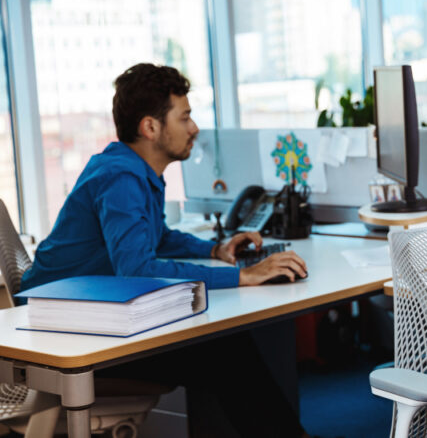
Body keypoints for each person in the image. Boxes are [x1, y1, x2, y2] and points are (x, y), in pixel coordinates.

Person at [21, 63, 309, 437]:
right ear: (151, 127)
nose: (194, 128)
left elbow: (157, 236)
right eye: (185, 117)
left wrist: (216, 249)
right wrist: (243, 275)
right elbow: (137, 271)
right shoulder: (120, 177)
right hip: (64, 338)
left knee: (227, 346)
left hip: (89, 319)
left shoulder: (136, 171)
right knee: (226, 353)